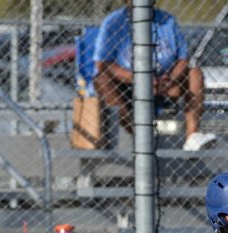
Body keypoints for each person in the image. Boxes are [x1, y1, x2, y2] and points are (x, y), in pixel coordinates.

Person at [93, 0, 217, 152]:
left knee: (194, 72)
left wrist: (170, 79)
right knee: (102, 79)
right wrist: (140, 79)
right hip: (127, 87)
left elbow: (183, 58)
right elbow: (103, 64)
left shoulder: (167, 20)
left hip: (165, 84)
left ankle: (192, 136)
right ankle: (140, 136)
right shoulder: (113, 22)